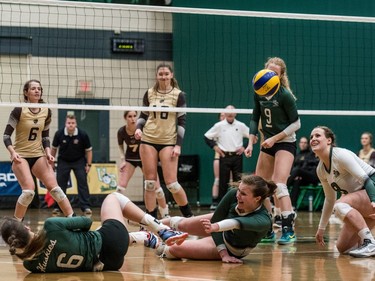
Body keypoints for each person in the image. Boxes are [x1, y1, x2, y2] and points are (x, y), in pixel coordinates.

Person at [0, 191, 189, 273]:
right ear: (25, 227)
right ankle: (162, 230)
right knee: (113, 198)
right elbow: (86, 221)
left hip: (109, 263)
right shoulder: (50, 226)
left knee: (85, 243)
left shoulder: (30, 266)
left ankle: (145, 237)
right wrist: (69, 227)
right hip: (112, 239)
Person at [155, 174, 276, 263]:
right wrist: (214, 227)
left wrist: (223, 253)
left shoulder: (263, 220)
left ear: (257, 198)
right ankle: (146, 225)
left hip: (231, 248)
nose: (238, 195)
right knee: (183, 224)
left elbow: (235, 223)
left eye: (243, 194)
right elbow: (217, 219)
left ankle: (163, 246)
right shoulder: (233, 194)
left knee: (174, 249)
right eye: (239, 190)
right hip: (219, 229)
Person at [244, 57, 301, 245]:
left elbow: (297, 123)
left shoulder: (285, 95)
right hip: (267, 141)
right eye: (268, 72)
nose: (270, 76)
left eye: (274, 73)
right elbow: (255, 116)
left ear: (280, 76)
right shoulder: (259, 92)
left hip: (284, 141)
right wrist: (251, 140)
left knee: (279, 185)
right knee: (260, 185)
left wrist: (274, 138)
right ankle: (267, 228)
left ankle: (288, 229)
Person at [3, 79, 74, 221]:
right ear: (26, 92)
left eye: (39, 89)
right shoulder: (18, 110)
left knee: (56, 190)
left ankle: (74, 220)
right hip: (20, 156)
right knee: (29, 191)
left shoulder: (46, 111)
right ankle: (16, 225)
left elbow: (45, 137)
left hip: (38, 155)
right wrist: (13, 152)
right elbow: (6, 136)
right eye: (33, 88)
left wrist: (48, 152)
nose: (37, 91)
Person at [134, 63, 193, 218]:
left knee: (172, 184)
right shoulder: (150, 93)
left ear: (171, 75)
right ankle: (150, 221)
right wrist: (139, 128)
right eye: (161, 74)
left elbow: (182, 121)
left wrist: (178, 145)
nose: (163, 76)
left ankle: (189, 217)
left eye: (166, 74)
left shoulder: (178, 95)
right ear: (156, 76)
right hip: (148, 139)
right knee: (150, 183)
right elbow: (143, 115)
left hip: (168, 141)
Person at [311, 126, 375, 258]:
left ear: (329, 140)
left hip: (371, 191)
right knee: (343, 248)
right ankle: (368, 242)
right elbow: (329, 199)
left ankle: (369, 242)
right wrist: (321, 228)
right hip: (360, 202)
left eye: (317, 136)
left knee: (340, 204)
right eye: (311, 137)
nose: (313, 139)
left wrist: (374, 201)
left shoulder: (340, 155)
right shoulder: (320, 170)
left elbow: (367, 180)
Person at [116, 110, 169, 218]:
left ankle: (165, 214)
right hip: (130, 159)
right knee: (120, 189)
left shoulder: (143, 129)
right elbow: (120, 146)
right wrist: (122, 160)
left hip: (145, 160)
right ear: (125, 118)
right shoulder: (121, 131)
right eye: (130, 116)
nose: (133, 118)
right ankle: (116, 213)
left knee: (157, 189)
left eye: (135, 116)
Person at [204, 105, 250, 206]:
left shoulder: (241, 125)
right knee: (223, 183)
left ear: (236, 113)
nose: (230, 113)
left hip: (237, 156)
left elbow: (252, 136)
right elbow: (207, 136)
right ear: (224, 113)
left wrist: (244, 147)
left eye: (232, 111)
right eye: (227, 111)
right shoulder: (219, 125)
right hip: (224, 156)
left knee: (238, 182)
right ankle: (222, 205)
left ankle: (237, 204)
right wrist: (215, 147)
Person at [51, 114, 93, 215]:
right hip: (63, 161)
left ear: (76, 124)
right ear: (65, 123)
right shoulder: (59, 133)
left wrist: (89, 164)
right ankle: (58, 207)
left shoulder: (82, 134)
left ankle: (85, 206)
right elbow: (53, 149)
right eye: (69, 123)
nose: (71, 125)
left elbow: (89, 150)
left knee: (82, 183)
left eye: (73, 123)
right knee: (60, 185)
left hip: (79, 161)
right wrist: (51, 163)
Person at [287, 136, 319, 209]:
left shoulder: (311, 154)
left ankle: (284, 186)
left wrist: (300, 173)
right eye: (301, 142)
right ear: (299, 144)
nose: (303, 144)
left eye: (305, 143)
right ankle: (292, 206)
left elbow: (310, 166)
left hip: (312, 176)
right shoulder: (297, 155)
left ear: (308, 144)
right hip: (300, 177)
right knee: (297, 181)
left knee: (298, 170)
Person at [210, 112, 226, 210]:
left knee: (232, 181)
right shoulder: (217, 128)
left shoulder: (236, 126)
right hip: (219, 157)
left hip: (232, 157)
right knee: (218, 179)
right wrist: (215, 147)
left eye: (225, 114)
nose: (223, 117)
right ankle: (215, 202)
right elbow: (207, 138)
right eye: (222, 115)